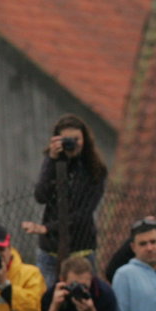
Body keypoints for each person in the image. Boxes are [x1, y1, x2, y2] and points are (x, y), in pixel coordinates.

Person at [24, 114, 107, 288]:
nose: (72, 144)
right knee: (47, 300)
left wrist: (47, 228)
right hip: (50, 250)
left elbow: (84, 213)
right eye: (67, 139)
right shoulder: (54, 164)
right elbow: (41, 195)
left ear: (85, 139)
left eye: (76, 139)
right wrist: (51, 160)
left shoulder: (94, 169)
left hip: (81, 248)